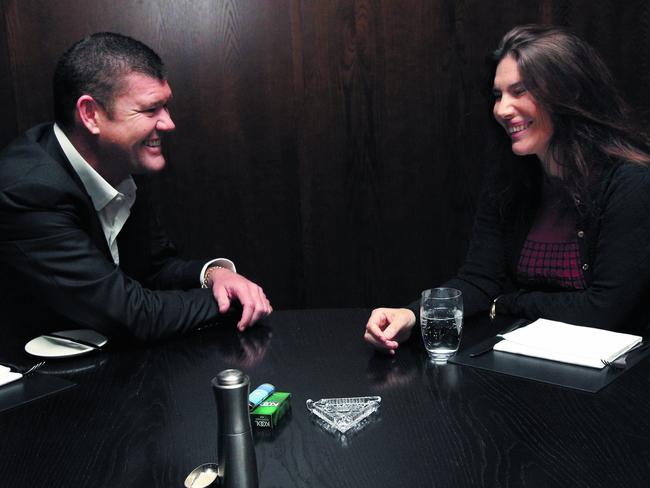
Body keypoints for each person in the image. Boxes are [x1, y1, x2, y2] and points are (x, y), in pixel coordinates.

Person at [364, 24, 650, 354]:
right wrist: (411, 315)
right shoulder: (511, 180)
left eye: (520, 91)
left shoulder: (632, 182)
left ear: (569, 94)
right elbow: (479, 281)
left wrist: (510, 303)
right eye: (498, 95)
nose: (501, 109)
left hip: (617, 379)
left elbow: (603, 311)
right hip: (530, 363)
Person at [0, 32, 272, 344]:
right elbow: (129, 315)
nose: (168, 123)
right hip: (38, 382)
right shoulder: (25, 190)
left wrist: (215, 276)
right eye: (150, 110)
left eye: (166, 106)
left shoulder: (118, 161)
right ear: (91, 114)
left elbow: (153, 269)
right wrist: (225, 301)